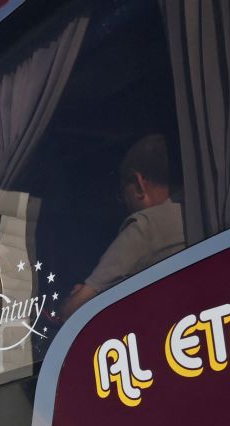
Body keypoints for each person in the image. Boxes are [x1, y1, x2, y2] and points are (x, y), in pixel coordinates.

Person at [64, 134, 185, 318]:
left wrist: (83, 295)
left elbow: (74, 311)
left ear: (139, 184)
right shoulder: (200, 212)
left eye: (123, 195)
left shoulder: (146, 226)